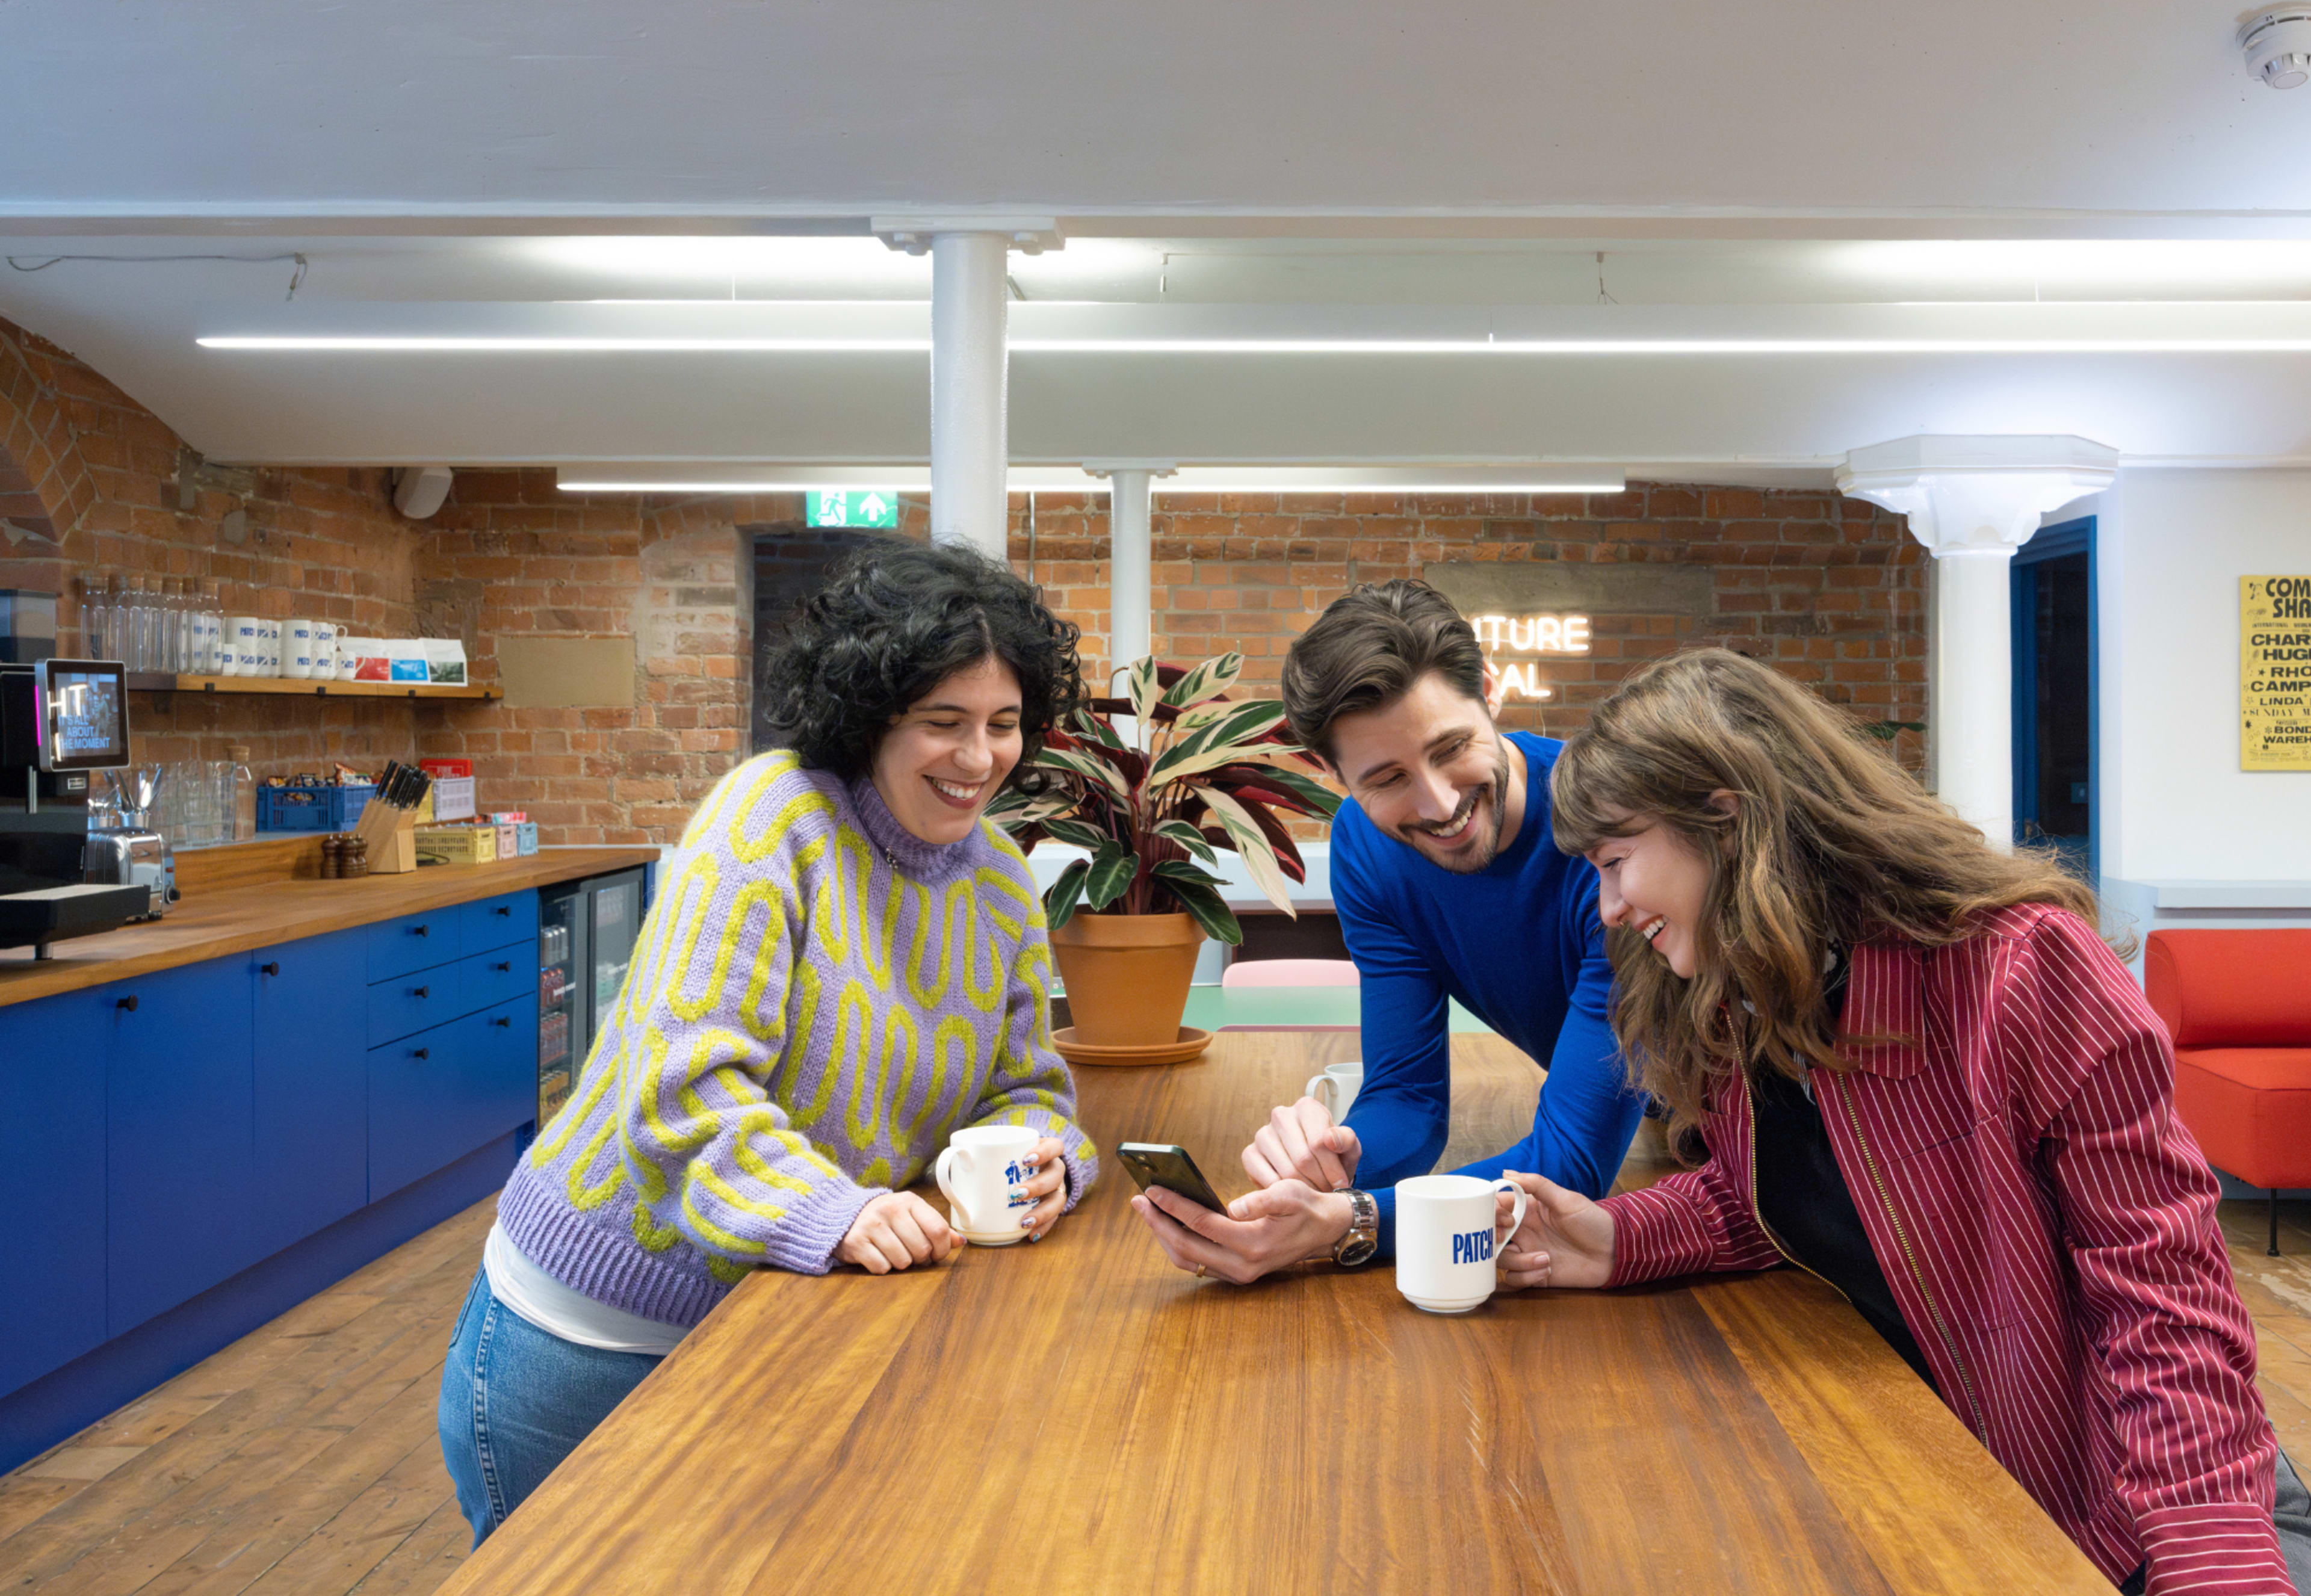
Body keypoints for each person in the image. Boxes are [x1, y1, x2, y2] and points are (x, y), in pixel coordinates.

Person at [1502, 644, 2309, 1595]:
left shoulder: (2024, 970)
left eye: (1616, 862)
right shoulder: (1745, 996)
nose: (1607, 907)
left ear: (1725, 815)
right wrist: (1618, 1238)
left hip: (2139, 1515)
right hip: (1957, 1497)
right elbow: (1780, 1192)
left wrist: (2211, 1559)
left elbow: (2164, 1307)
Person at [438, 538, 1101, 1545]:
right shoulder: (771, 819)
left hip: (783, 1322)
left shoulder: (1002, 881)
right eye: (944, 723)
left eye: (1004, 726)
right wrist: (830, 1212)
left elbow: (1026, 1089)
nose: (979, 759)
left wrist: (1051, 1164)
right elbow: (681, 1091)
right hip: (594, 1336)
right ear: (871, 713)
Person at [1131, 578, 1646, 1283]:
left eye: (1452, 747)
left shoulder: (1607, 841)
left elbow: (1573, 1165)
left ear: (1491, 691)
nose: (1439, 805)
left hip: (1752, 1129)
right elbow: (1407, 1097)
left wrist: (1352, 1222)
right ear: (1328, 771)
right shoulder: (1368, 853)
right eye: (1387, 778)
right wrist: (1335, 1162)